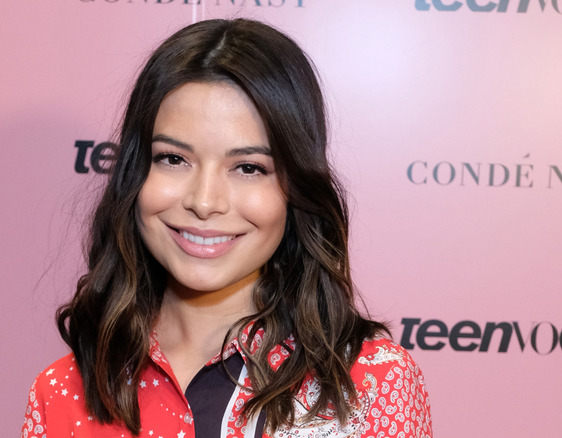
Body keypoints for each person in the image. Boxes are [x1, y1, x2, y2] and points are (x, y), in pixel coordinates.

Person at [21, 18, 432, 438]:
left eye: (248, 167)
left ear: (296, 188)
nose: (204, 202)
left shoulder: (371, 384)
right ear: (134, 174)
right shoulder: (62, 393)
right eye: (173, 159)